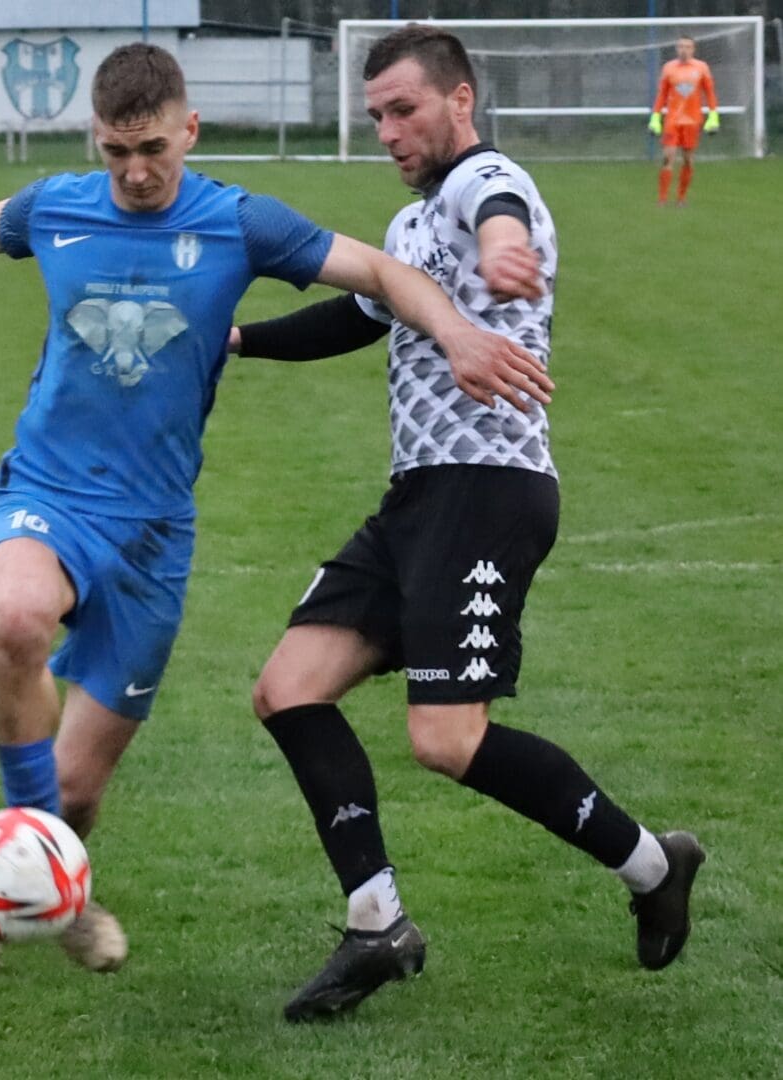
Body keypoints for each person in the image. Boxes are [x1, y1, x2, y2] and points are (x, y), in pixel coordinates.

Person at [0, 42, 551, 988]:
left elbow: (377, 271)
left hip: (156, 534)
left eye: (153, 149)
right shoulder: (57, 207)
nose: (134, 172)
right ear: (97, 139)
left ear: (190, 131)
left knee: (77, 790)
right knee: (19, 620)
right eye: (116, 151)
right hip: (50, 490)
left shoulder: (242, 223)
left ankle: (55, 884)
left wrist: (455, 332)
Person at [232, 25, 704, 1022]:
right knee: (287, 689)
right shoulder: (409, 227)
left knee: (446, 738)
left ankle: (654, 866)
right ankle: (376, 922)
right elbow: (357, 319)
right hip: (417, 498)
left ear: (459, 100)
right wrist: (235, 342)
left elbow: (496, 204)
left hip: (489, 488)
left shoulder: (486, 182)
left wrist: (501, 241)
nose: (387, 132)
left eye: (404, 110)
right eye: (376, 116)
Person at [649, 35, 719, 206]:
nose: (684, 50)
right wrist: (656, 117)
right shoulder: (668, 68)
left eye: (687, 47)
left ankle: (681, 198)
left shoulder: (701, 68)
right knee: (668, 157)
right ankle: (662, 199)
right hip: (672, 121)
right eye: (680, 46)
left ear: (693, 49)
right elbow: (662, 95)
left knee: (688, 159)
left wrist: (713, 115)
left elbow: (710, 93)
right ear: (676, 48)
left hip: (692, 121)